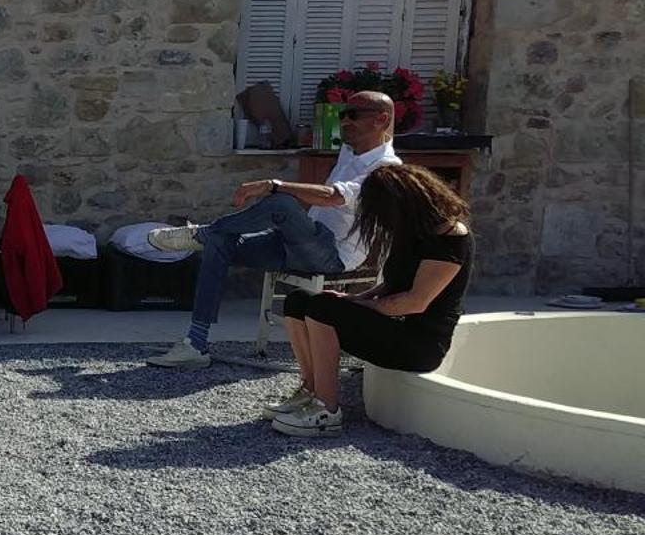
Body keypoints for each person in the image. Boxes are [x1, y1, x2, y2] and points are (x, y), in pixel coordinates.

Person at [144, 90, 402, 368]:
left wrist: (272, 184)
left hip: (333, 254)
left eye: (353, 115)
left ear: (381, 120)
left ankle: (201, 233)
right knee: (220, 239)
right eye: (342, 115)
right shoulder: (349, 152)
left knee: (282, 202)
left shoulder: (386, 167)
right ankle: (195, 345)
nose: (344, 121)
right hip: (304, 242)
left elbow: (334, 196)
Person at [269, 164, 474, 437]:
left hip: (419, 345)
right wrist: (355, 298)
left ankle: (326, 409)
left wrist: (355, 307)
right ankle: (310, 390)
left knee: (323, 309)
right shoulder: (415, 232)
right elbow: (393, 284)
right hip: (394, 328)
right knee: (298, 300)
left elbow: (416, 302)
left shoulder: (450, 240)